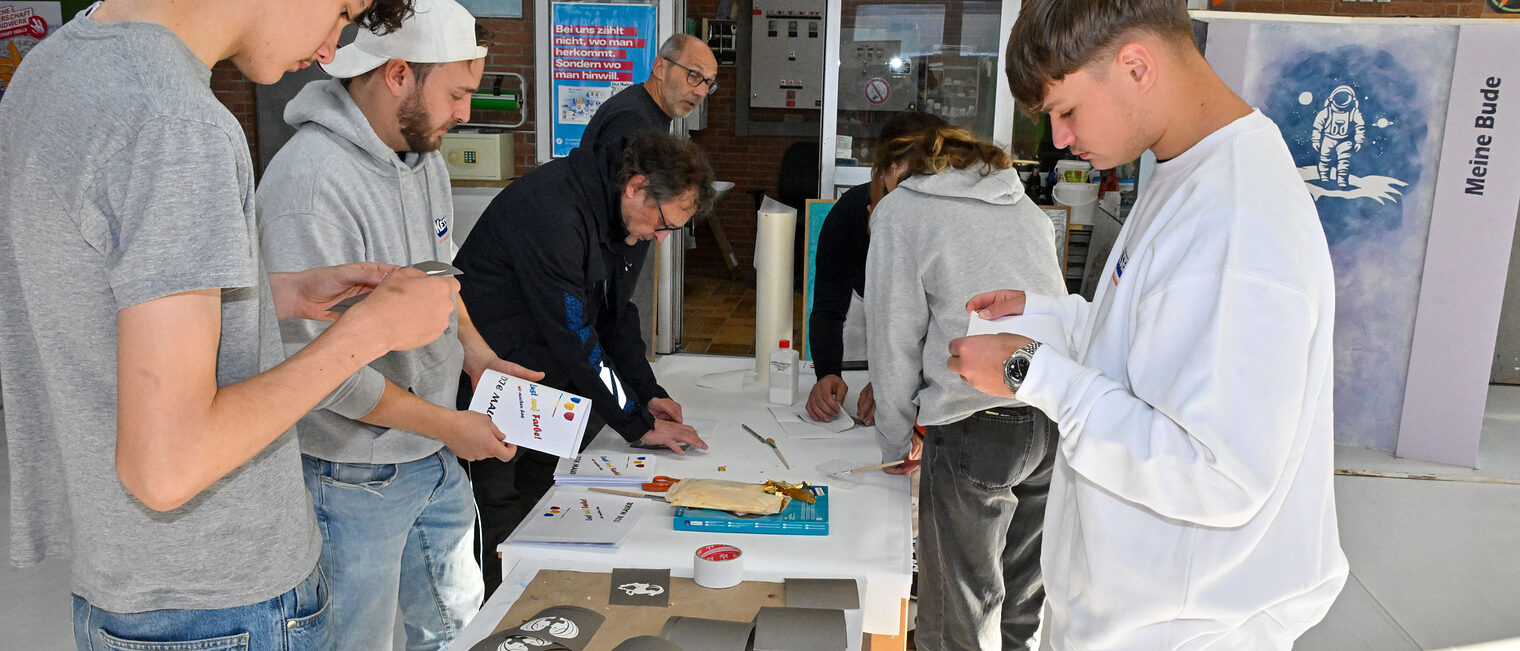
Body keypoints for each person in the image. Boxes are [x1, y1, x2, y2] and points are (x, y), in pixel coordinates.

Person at [0, 0, 471, 647]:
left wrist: (269, 292)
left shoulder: (53, 68)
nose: (332, 50)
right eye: (340, 12)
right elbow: (167, 464)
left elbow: (103, 293)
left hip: (124, 581)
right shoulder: (174, 122)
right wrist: (369, 331)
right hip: (222, 595)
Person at [946, 1, 1348, 648]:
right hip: (1127, 615)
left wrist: (1030, 371)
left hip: (1181, 630)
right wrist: (1045, 321)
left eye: (1067, 111)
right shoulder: (1185, 167)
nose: (1060, 141)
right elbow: (1148, 344)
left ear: (1135, 65)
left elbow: (1216, 472)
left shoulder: (1238, 219)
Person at [254, 1, 536, 647]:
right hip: (353, 471)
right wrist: (449, 425)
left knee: (456, 623)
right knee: (355, 637)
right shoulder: (311, 181)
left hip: (431, 453)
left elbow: (440, 276)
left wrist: (477, 355)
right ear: (399, 74)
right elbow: (318, 371)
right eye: (458, 93)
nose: (466, 112)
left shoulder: (422, 157)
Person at [454, 131, 715, 595]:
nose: (660, 236)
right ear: (635, 186)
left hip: (542, 383)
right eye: (662, 224)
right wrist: (635, 423)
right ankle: (491, 623)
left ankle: (539, 610)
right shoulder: (554, 211)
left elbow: (617, 314)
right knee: (495, 511)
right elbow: (574, 334)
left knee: (544, 501)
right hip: (488, 380)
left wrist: (647, 393)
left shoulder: (619, 214)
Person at [865, 124, 1066, 649]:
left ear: (893, 169)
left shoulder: (901, 211)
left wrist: (895, 436)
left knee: (960, 613)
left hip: (975, 422)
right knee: (1022, 603)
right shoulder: (1023, 207)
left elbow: (893, 336)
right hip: (1052, 407)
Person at [804, 111, 949, 426]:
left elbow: (945, 325)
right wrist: (827, 372)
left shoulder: (950, 225)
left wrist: (897, 382)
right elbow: (828, 309)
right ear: (882, 172)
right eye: (903, 187)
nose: (911, 204)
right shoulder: (849, 215)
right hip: (868, 329)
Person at [577, 34, 717, 178]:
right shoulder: (632, 119)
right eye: (693, 75)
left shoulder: (647, 107)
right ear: (660, 68)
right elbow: (620, 195)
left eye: (708, 83)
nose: (701, 92)